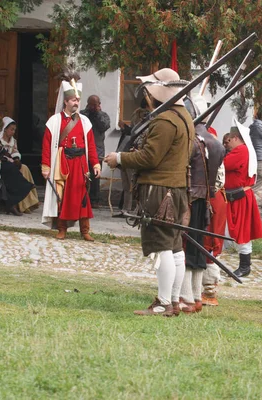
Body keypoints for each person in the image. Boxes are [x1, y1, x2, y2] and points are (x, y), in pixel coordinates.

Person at [104, 67, 193, 316]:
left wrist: (120, 158)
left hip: (160, 189)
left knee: (163, 246)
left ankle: (164, 303)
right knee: (174, 247)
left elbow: (150, 157)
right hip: (175, 188)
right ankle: (172, 301)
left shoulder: (166, 120)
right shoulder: (183, 116)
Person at [177, 95, 225, 314]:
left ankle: (187, 297)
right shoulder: (215, 143)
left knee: (186, 248)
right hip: (205, 201)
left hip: (188, 199)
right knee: (197, 248)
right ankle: (196, 296)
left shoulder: (190, 140)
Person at [41, 77, 101, 241]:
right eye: (74, 100)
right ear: (66, 101)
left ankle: (85, 230)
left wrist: (95, 163)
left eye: (78, 100)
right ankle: (62, 228)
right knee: (63, 196)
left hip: (81, 164)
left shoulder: (85, 121)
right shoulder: (54, 121)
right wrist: (46, 166)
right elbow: (47, 146)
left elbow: (91, 144)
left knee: (82, 197)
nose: (76, 103)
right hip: (63, 164)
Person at [222, 127, 262, 277]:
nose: (228, 144)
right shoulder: (242, 150)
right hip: (234, 196)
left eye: (229, 140)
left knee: (241, 230)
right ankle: (212, 260)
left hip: (240, 197)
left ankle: (245, 266)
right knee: (225, 228)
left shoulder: (241, 150)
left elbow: (225, 164)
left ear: (235, 138)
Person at [202, 127, 227, 306]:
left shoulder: (213, 155)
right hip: (209, 198)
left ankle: (209, 289)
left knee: (210, 242)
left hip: (212, 199)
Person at [0, 115, 33, 215]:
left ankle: (12, 201)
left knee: (15, 169)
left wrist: (12, 158)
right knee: (10, 169)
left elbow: (7, 152)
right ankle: (9, 201)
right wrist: (1, 157)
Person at [114, 98, 150, 217]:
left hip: (134, 155)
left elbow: (139, 137)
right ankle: (126, 209)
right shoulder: (133, 131)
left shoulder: (146, 127)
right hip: (125, 155)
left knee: (132, 185)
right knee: (127, 185)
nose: (135, 120)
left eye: (138, 118)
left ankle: (136, 209)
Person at [0, 117, 39, 213]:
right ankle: (22, 202)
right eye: (11, 129)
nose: (13, 132)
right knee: (17, 171)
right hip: (2, 166)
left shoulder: (13, 141)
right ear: (5, 129)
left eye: (14, 130)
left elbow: (15, 152)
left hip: (11, 165)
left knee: (24, 167)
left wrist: (16, 159)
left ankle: (30, 199)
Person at [81, 95, 111, 205]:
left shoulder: (103, 115)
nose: (93, 107)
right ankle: (82, 198)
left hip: (97, 150)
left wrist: (97, 114)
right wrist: (89, 113)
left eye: (95, 104)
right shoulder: (82, 114)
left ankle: (94, 200)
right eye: (91, 104)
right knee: (82, 175)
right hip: (82, 149)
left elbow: (104, 126)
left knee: (95, 176)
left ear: (99, 104)